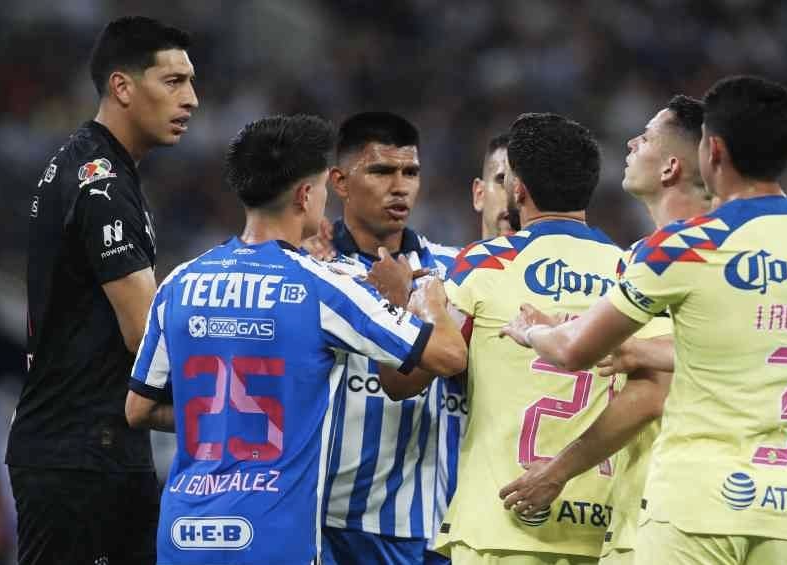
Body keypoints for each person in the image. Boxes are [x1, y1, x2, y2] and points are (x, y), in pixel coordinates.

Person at [500, 76, 787, 565]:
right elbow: (753, 340)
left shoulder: (684, 249)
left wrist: (533, 331)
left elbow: (574, 351)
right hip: (782, 507)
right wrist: (638, 349)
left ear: (713, 152)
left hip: (694, 504)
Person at [125, 114, 467, 565]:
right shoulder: (318, 285)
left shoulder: (180, 281)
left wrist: (228, 421)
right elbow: (447, 354)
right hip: (273, 533)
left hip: (185, 531)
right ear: (308, 193)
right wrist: (425, 300)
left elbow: (139, 409)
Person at [6, 16, 197, 565]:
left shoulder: (92, 166)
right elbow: (147, 338)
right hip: (82, 454)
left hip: (86, 447)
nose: (192, 99)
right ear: (122, 87)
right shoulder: (103, 183)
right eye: (174, 82)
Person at [499, 96, 711, 565]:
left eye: (649, 136)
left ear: (671, 166)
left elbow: (652, 392)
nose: (633, 142)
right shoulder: (745, 260)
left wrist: (556, 473)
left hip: (667, 520)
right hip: (729, 509)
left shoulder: (665, 259)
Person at [434, 113, 620, 565]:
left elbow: (432, 362)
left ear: (519, 190)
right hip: (602, 525)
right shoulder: (627, 269)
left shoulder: (481, 264)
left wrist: (418, 308)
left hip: (500, 521)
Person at [319, 112, 464, 565]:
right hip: (325, 518)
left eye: (411, 173)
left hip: (423, 522)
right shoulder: (310, 269)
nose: (399, 186)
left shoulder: (454, 269)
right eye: (382, 171)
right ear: (340, 182)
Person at [471, 133, 516, 238]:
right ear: (479, 194)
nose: (515, 194)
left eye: (524, 184)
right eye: (503, 180)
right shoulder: (440, 254)